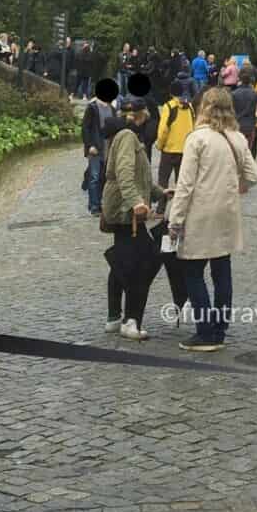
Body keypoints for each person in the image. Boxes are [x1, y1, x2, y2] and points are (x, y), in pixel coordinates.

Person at [168, 87, 257, 353]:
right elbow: (253, 176)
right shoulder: (238, 138)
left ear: (204, 107)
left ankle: (205, 332)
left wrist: (175, 220)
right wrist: (236, 185)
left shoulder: (197, 139)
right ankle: (219, 329)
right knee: (222, 271)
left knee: (193, 272)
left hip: (201, 214)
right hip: (227, 213)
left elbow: (185, 185)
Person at [100, 96, 167, 341]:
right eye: (147, 110)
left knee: (122, 262)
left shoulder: (129, 137)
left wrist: (160, 192)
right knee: (141, 265)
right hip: (127, 213)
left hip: (123, 209)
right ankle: (131, 320)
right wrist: (137, 203)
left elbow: (142, 179)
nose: (149, 114)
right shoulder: (127, 137)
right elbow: (126, 174)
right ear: (137, 113)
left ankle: (114, 318)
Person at [81, 76, 119, 216]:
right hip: (95, 147)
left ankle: (102, 203)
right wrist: (89, 145)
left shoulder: (112, 108)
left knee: (104, 177)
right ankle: (94, 206)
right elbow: (85, 128)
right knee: (94, 176)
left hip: (108, 148)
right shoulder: (92, 107)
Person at [155, 84, 196, 188]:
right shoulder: (190, 106)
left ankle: (161, 204)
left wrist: (160, 145)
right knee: (182, 184)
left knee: (163, 182)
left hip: (169, 150)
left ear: (170, 93)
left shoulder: (168, 106)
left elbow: (163, 129)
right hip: (185, 150)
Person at [231, 68, 257, 157]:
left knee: (237, 150)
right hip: (251, 124)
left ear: (239, 79)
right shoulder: (255, 93)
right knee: (250, 149)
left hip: (237, 124)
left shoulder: (234, 93)